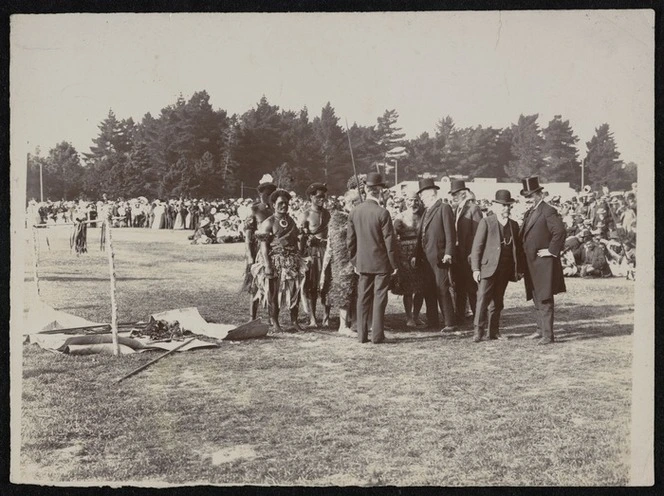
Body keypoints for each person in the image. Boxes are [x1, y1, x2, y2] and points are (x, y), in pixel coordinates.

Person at [347, 173, 398, 344]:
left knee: (363, 298)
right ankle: (377, 335)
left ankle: (362, 335)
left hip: (362, 263)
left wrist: (354, 261)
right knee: (379, 298)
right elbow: (389, 242)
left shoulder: (354, 212)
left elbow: (350, 242)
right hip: (381, 263)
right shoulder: (382, 213)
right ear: (379, 192)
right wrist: (394, 264)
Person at [470, 190, 524, 342]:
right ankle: (478, 331)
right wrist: (475, 269)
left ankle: (493, 331)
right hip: (487, 268)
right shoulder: (486, 222)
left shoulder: (514, 225)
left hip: (505, 269)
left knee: (498, 302)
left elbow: (518, 250)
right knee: (482, 299)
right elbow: (477, 247)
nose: (506, 208)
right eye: (503, 206)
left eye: (508, 206)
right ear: (495, 206)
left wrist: (518, 269)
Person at [519, 177, 566, 345]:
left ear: (539, 194)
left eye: (531, 195)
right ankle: (540, 330)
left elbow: (559, 232)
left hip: (543, 263)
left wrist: (551, 251)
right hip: (531, 264)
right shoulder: (530, 212)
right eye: (526, 196)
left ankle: (548, 335)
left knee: (545, 299)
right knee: (535, 297)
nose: (528, 199)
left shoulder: (548, 210)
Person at [252, 189, 308, 333]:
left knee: (295, 291)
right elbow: (263, 246)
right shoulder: (268, 222)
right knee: (274, 292)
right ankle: (275, 322)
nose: (284, 206)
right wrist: (267, 265)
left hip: (292, 262)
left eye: (286, 203)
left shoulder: (291, 221)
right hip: (275, 261)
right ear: (273, 204)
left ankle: (294, 321)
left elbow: (296, 240)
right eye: (281, 203)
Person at [413, 177, 458, 334]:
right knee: (428, 290)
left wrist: (448, 253)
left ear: (430, 194)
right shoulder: (427, 211)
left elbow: (450, 234)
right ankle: (432, 321)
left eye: (423, 196)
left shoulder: (443, 208)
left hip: (439, 257)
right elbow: (421, 236)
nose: (421, 199)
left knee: (442, 289)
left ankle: (450, 322)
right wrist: (416, 255)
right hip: (426, 259)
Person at [320, 188, 361, 336]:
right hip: (341, 260)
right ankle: (343, 325)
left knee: (356, 290)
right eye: (356, 202)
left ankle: (355, 321)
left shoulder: (355, 215)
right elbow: (337, 240)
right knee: (344, 290)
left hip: (356, 258)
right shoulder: (338, 217)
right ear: (350, 202)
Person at [241, 175, 277, 321]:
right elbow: (248, 237)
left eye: (270, 194)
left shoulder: (275, 210)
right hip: (257, 251)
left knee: (272, 282)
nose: (267, 196)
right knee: (255, 283)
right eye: (265, 193)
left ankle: (272, 317)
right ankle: (252, 316)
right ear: (260, 194)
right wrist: (250, 256)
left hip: (273, 250)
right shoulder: (255, 210)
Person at [449, 179, 483, 326]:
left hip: (469, 255)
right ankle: (460, 316)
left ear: (463, 194)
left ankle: (479, 317)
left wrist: (474, 254)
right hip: (459, 255)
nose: (453, 197)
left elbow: (478, 234)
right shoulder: (457, 209)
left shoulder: (473, 208)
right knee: (460, 287)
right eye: (452, 194)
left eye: (456, 194)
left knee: (471, 288)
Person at [299, 182, 332, 327]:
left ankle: (326, 317)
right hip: (312, 254)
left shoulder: (328, 214)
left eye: (323, 196)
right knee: (312, 285)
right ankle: (312, 318)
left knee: (327, 284)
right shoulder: (305, 214)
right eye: (318, 196)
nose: (322, 199)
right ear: (311, 197)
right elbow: (300, 236)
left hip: (327, 252)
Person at [391, 191, 425, 327]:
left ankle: (416, 316)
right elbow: (393, 236)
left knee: (421, 287)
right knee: (408, 288)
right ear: (406, 202)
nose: (413, 203)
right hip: (405, 255)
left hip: (421, 253)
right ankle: (409, 317)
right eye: (410, 200)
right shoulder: (400, 217)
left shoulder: (424, 215)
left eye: (416, 200)